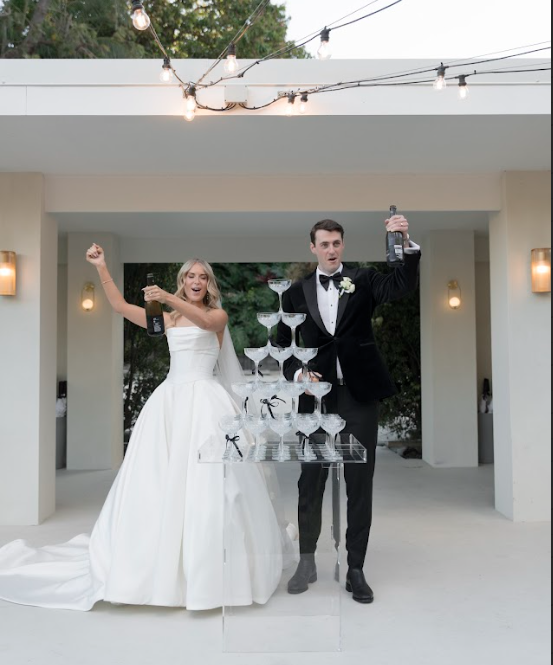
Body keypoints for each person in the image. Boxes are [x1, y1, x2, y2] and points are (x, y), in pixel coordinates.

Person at [0, 246, 283, 611]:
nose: (196, 281)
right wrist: (101, 267)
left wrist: (167, 298)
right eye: (190, 276)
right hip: (169, 403)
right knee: (156, 479)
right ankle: (153, 566)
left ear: (208, 284)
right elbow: (118, 307)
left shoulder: (217, 315)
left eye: (202, 277)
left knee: (211, 484)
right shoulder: (165, 319)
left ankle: (211, 572)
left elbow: (205, 324)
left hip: (206, 404)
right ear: (183, 280)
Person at [277, 217, 421, 604]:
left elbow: (403, 284)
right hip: (316, 398)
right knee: (311, 480)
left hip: (358, 395)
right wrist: (298, 374)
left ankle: (355, 567)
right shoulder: (294, 293)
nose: (331, 249)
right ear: (313, 248)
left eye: (337, 243)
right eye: (324, 244)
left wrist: (405, 243)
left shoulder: (365, 279)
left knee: (359, 481)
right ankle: (306, 562)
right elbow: (283, 348)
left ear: (343, 245)